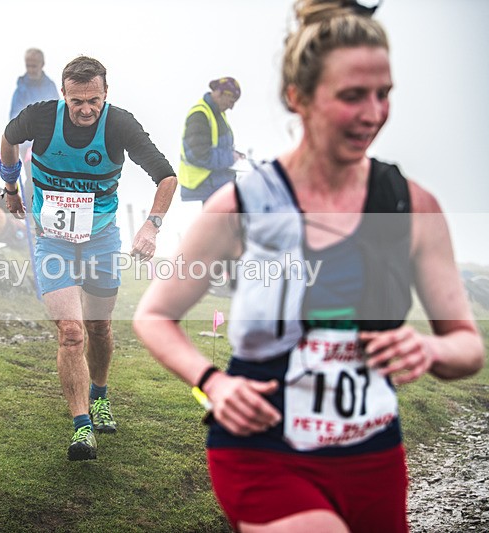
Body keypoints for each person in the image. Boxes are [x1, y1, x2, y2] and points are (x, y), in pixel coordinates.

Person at [134, 1, 485, 531]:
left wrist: (430, 347)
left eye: (383, 94)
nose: (372, 114)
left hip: (374, 458)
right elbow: (154, 315)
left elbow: (466, 346)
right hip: (262, 450)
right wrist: (213, 383)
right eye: (351, 96)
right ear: (297, 98)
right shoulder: (238, 207)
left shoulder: (413, 205)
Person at [0, 55, 177, 461]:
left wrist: (151, 226)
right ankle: (82, 427)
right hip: (53, 241)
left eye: (93, 100)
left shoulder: (119, 124)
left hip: (100, 240)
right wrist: (10, 187)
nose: (85, 109)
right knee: (71, 331)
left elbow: (166, 176)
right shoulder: (41, 118)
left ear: (105, 95)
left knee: (98, 328)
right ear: (63, 95)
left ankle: (99, 394)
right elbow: (9, 137)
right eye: (76, 100)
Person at [178, 76, 244, 204]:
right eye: (230, 101)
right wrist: (230, 158)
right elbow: (199, 155)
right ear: (219, 93)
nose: (231, 107)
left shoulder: (218, 114)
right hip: (204, 186)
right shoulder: (199, 115)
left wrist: (236, 155)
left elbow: (219, 146)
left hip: (217, 186)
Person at [9, 48, 61, 204]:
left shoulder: (50, 86)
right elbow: (14, 117)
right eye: (28, 65)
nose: (31, 69)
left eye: (34, 65)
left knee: (51, 178)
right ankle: (32, 214)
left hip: (50, 143)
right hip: (28, 145)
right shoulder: (21, 90)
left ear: (42, 64)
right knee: (32, 179)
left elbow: (58, 111)